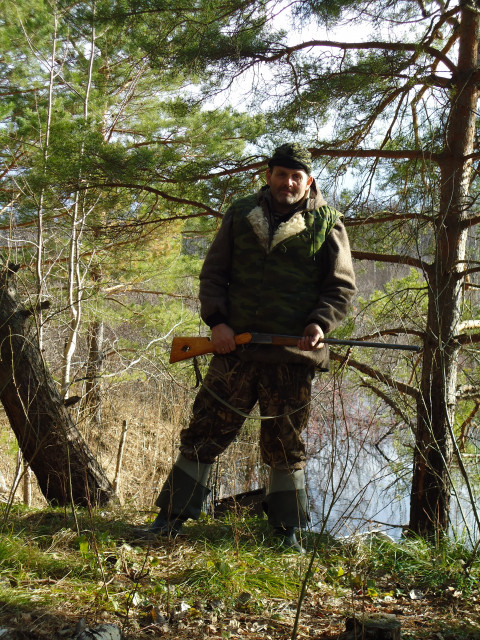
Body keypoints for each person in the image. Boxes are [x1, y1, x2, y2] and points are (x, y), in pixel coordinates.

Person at [135, 142, 356, 552]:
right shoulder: (239, 215)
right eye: (281, 174)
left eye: (296, 177)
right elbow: (213, 274)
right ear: (268, 175)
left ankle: (287, 533)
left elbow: (340, 287)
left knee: (285, 444)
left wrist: (318, 323)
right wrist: (217, 323)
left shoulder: (328, 224)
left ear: (308, 181)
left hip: (292, 359)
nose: (287, 183)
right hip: (233, 352)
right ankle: (169, 519)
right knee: (204, 431)